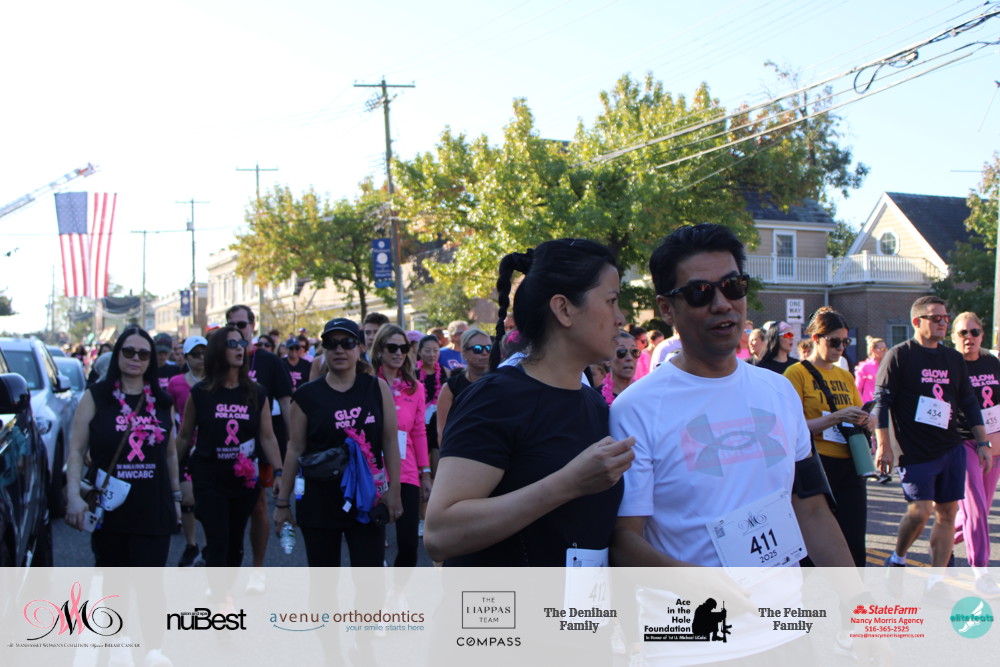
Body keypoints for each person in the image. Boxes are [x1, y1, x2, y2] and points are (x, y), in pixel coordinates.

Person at [610, 223, 857, 662]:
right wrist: (695, 581)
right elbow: (624, 541)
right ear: (667, 308)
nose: (722, 303)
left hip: (787, 638)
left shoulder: (778, 392)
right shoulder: (636, 409)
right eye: (700, 292)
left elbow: (812, 509)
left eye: (732, 286)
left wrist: (860, 606)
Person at [424, 239, 635, 566]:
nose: (620, 318)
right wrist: (567, 484)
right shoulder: (496, 398)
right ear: (563, 309)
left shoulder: (594, 404)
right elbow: (440, 534)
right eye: (611, 301)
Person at [874, 296, 991, 585]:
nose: (943, 323)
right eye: (936, 318)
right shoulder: (900, 355)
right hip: (914, 449)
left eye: (945, 318)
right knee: (920, 512)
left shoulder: (953, 358)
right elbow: (882, 403)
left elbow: (968, 401)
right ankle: (898, 557)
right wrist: (884, 446)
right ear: (917, 321)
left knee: (948, 514)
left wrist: (982, 443)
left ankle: (936, 580)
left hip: (950, 446)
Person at [273, 318, 402, 565]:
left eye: (347, 342)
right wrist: (282, 504)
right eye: (331, 343)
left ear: (360, 348)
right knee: (324, 583)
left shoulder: (377, 388)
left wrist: (394, 490)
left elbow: (389, 441)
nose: (339, 349)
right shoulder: (306, 395)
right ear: (323, 349)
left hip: (366, 498)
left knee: (369, 579)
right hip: (319, 501)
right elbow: (295, 449)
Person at [66, 326, 179, 563]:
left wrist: (176, 498)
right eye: (129, 352)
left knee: (149, 582)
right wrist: (73, 496)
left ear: (150, 360)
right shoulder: (96, 397)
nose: (136, 358)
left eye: (143, 354)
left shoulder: (162, 401)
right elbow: (76, 450)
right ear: (117, 354)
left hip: (154, 511)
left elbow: (170, 454)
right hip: (110, 512)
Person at [175, 326, 283, 567]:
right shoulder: (201, 392)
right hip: (209, 477)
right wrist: (169, 474)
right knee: (218, 543)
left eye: (242, 344)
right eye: (232, 344)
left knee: (235, 546)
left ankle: (228, 586)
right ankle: (219, 589)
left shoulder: (257, 392)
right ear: (217, 350)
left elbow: (267, 437)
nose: (239, 349)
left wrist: (279, 472)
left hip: (243, 480)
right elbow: (184, 436)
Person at [784, 307, 871, 566]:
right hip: (817, 464)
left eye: (845, 342)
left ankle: (854, 589)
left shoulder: (845, 375)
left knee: (854, 538)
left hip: (850, 462)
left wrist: (867, 419)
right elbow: (791, 429)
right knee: (814, 541)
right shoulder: (796, 374)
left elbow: (855, 411)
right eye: (834, 342)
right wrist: (836, 417)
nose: (840, 348)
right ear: (816, 338)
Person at [224, 304, 293, 591]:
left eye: (242, 324)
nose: (238, 330)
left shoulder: (268, 361)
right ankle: (224, 570)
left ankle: (257, 569)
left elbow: (286, 402)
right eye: (232, 325)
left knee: (257, 505)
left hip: (261, 443)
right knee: (222, 509)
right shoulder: (220, 357)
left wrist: (292, 443)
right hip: (224, 444)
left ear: (252, 326)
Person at [370, 324, 430, 568]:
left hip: (406, 470)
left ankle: (399, 586)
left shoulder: (415, 388)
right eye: (392, 347)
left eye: (403, 348)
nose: (398, 353)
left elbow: (419, 431)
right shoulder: (367, 384)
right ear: (379, 350)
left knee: (408, 544)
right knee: (372, 539)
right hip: (373, 469)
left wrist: (425, 473)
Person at [950, 312, 1000, 596]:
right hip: (964, 443)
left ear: (982, 335)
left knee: (978, 509)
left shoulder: (992, 362)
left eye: (975, 332)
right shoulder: (950, 364)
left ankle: (942, 537)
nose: (969, 338)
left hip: (994, 444)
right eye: (963, 333)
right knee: (976, 508)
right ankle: (981, 571)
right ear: (954, 337)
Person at [166, 335, 208, 567]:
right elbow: (168, 413)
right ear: (186, 357)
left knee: (210, 500)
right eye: (195, 354)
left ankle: (210, 544)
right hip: (186, 443)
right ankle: (191, 544)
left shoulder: (217, 380)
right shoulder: (176, 383)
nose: (200, 358)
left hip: (211, 446)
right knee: (188, 498)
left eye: (204, 353)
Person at [434, 328, 492, 445]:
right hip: (461, 449)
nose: (485, 353)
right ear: (464, 353)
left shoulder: (499, 382)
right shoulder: (451, 387)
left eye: (489, 348)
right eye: (477, 349)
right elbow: (442, 433)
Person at [602, 330, 639, 405]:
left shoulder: (645, 395)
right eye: (622, 352)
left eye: (634, 352)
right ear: (607, 360)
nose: (629, 358)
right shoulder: (595, 399)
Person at [854, 336, 887, 404]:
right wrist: (860, 405)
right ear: (873, 350)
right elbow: (857, 389)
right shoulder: (865, 366)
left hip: (884, 403)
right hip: (869, 404)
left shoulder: (886, 366)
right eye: (882, 349)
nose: (885, 351)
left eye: (886, 349)